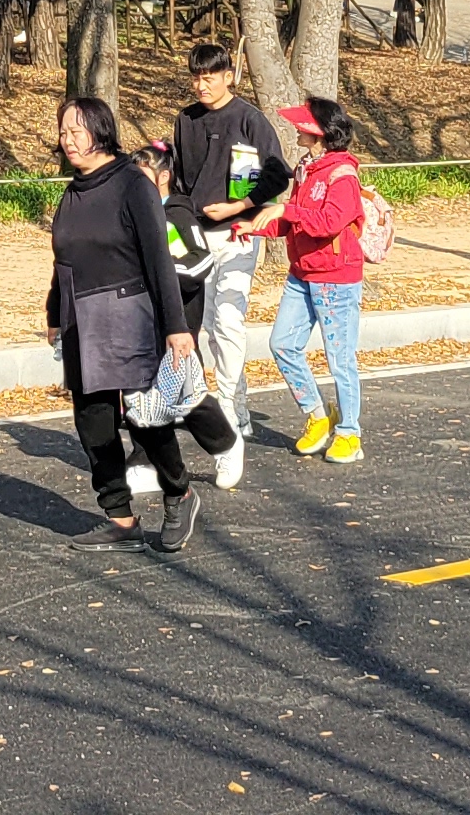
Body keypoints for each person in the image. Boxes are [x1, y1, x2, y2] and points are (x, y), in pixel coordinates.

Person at [35, 98, 200, 546]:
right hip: (79, 317)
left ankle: (179, 492)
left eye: (77, 130)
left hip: (127, 313)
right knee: (92, 423)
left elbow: (159, 259)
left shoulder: (132, 184)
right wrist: (53, 311)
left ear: (101, 130)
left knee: (146, 418)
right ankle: (121, 518)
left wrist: (176, 325)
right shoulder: (73, 193)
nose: (68, 140)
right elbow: (64, 259)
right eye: (63, 132)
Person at [166, 42, 292, 489]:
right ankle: (226, 404)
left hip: (239, 233)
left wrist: (240, 206)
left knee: (228, 319)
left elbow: (278, 174)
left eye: (210, 77)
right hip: (195, 236)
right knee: (199, 324)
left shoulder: (249, 119)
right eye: (196, 77)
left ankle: (229, 409)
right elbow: (178, 179)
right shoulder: (185, 120)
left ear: (228, 76)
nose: (202, 85)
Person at [268, 93, 368, 465]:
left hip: (336, 277)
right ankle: (318, 414)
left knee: (340, 359)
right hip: (302, 272)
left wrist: (285, 211)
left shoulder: (342, 174)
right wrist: (250, 225)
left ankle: (349, 433)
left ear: (320, 132)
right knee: (282, 344)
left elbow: (328, 222)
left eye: (302, 124)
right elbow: (292, 219)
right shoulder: (305, 168)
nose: (296, 129)